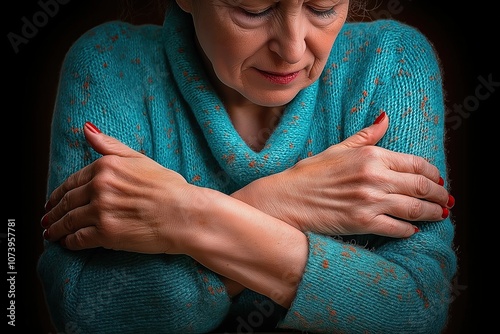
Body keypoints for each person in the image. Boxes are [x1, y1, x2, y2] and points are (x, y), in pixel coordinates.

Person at [37, 0, 458, 333]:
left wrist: (187, 216)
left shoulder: (393, 61)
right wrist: (286, 202)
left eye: (323, 8)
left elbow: (418, 307)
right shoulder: (110, 63)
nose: (292, 48)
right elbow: (84, 311)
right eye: (253, 10)